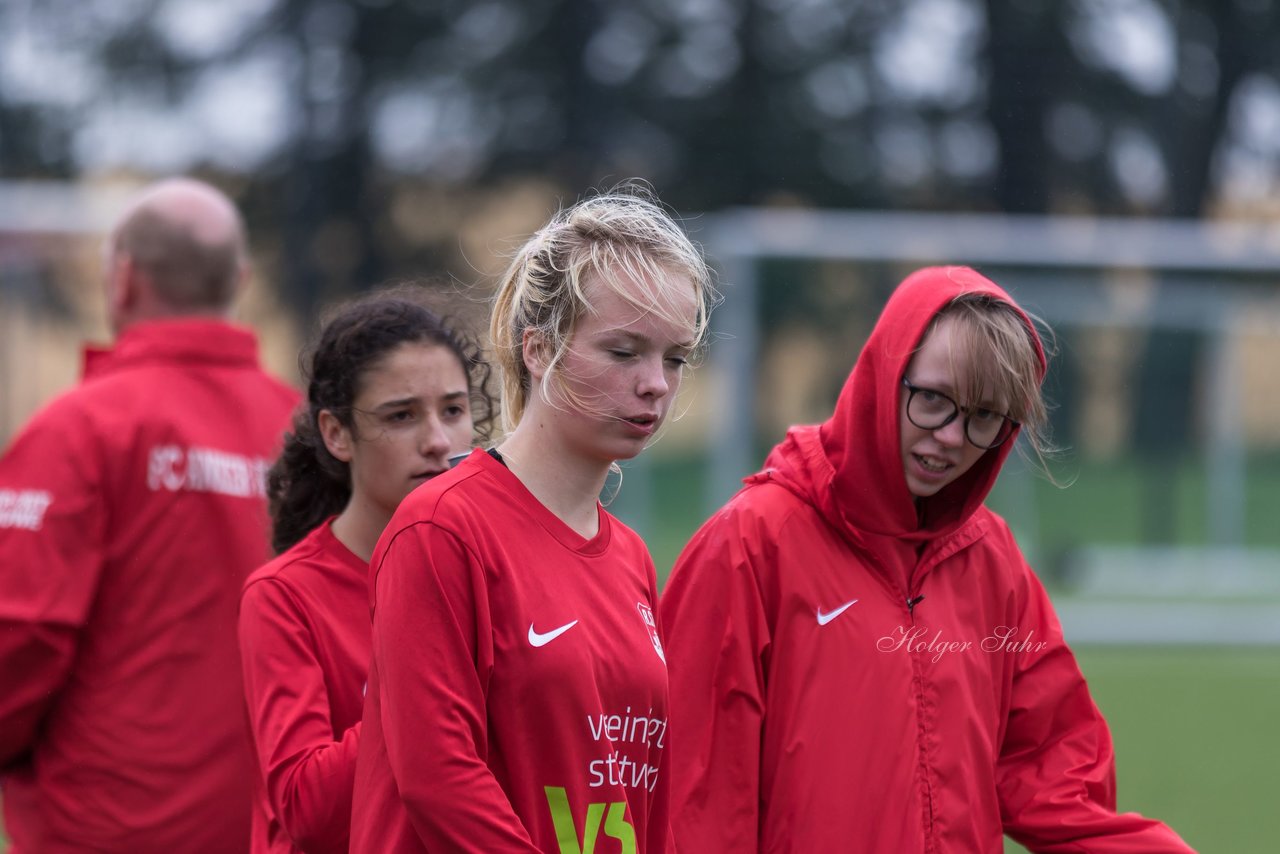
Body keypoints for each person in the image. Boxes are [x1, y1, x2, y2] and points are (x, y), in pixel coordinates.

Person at [660, 266, 1194, 853]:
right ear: (885, 376)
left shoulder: (993, 562)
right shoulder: (752, 544)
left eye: (983, 417)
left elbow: (1057, 778)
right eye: (935, 400)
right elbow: (697, 800)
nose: (952, 437)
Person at [349, 187, 713, 852]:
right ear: (539, 351)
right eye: (625, 351)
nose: (656, 383)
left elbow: (638, 796)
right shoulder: (441, 527)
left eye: (675, 357)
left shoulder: (630, 556)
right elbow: (437, 778)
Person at [0, 178, 299, 852]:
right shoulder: (307, 432)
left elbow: (21, 632)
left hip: (104, 828)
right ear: (240, 279)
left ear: (124, 278)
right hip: (277, 824)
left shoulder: (79, 430)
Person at [238, 289, 494, 854]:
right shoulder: (285, 596)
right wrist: (422, 687)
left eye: (453, 410)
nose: (437, 441)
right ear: (335, 434)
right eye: (401, 416)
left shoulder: (495, 574)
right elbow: (309, 811)